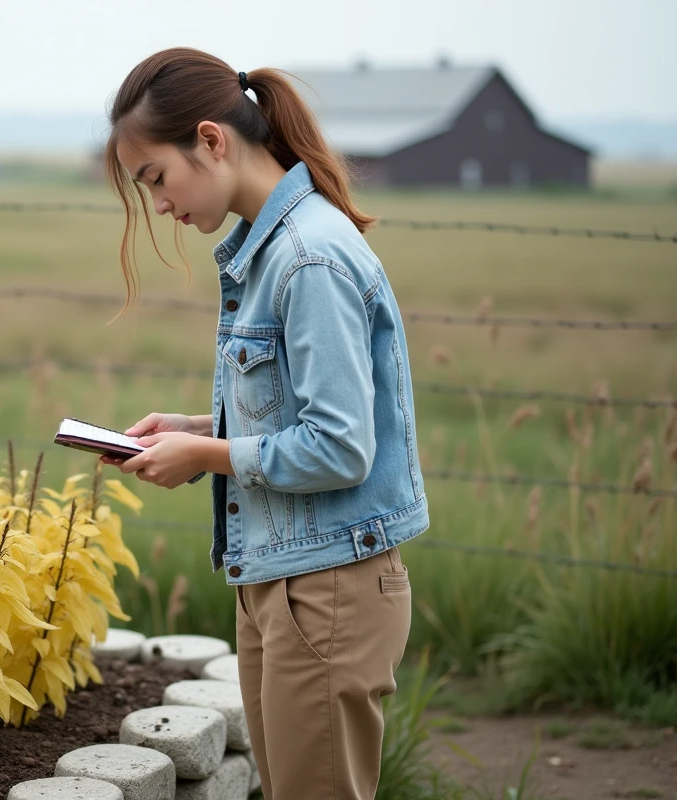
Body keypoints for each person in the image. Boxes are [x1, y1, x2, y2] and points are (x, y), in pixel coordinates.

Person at [99, 47, 428, 799]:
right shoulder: (273, 247)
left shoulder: (308, 257)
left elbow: (340, 448)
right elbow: (296, 409)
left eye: (155, 177)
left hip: (328, 589)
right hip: (285, 579)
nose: (158, 204)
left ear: (212, 141)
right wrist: (190, 429)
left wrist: (205, 454)